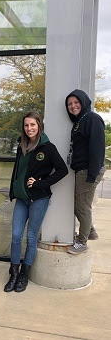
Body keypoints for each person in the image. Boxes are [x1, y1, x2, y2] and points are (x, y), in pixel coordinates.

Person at [5, 111, 68, 293]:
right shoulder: (21, 146)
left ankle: (24, 274)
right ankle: (14, 273)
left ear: (39, 126)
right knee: (16, 236)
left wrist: (41, 183)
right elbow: (18, 171)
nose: (29, 128)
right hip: (22, 199)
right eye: (26, 125)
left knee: (31, 237)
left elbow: (62, 170)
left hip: (39, 199)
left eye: (33, 125)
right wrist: (13, 189)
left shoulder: (47, 147)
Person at [65, 89, 105, 254]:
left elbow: (97, 149)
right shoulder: (80, 121)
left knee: (81, 207)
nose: (73, 106)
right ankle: (91, 232)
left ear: (84, 102)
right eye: (69, 104)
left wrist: (91, 175)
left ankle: (82, 242)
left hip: (88, 170)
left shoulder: (92, 119)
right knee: (78, 205)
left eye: (76, 102)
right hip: (81, 170)